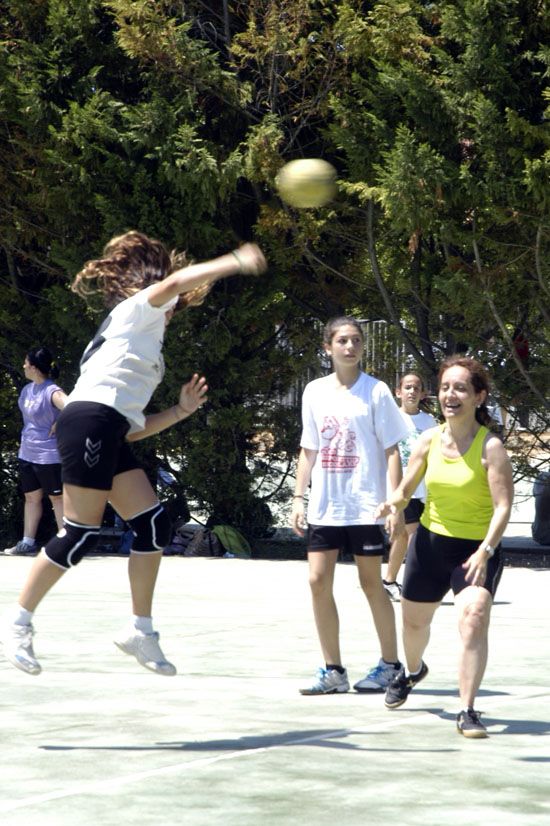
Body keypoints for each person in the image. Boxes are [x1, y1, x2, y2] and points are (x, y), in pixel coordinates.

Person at [1, 231, 267, 677]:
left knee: (152, 524)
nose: (174, 309)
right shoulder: (140, 307)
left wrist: (181, 411)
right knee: (80, 533)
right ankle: (18, 623)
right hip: (90, 421)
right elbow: (174, 283)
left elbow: (132, 431)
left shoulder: (141, 342)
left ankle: (139, 630)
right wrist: (234, 262)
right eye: (175, 301)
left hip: (107, 428)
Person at [376, 355, 513, 738]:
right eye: (445, 387)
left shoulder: (492, 449)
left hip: (475, 550)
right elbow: (405, 489)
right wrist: (394, 503)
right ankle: (414, 670)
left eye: (461, 388)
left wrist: (485, 550)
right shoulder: (429, 439)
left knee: (473, 615)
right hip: (431, 545)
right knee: (414, 625)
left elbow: (503, 506)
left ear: (478, 396)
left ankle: (467, 709)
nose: (450, 395)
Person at [291, 316, 410, 695]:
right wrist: (298, 496)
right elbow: (309, 448)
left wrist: (394, 502)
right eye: (342, 340)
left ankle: (391, 665)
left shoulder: (375, 392)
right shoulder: (313, 392)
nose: (350, 347)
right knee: (316, 581)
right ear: (328, 347)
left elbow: (392, 450)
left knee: (371, 584)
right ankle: (333, 671)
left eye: (356, 340)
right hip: (326, 507)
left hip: (366, 507)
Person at [4, 347, 68, 556]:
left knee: (56, 499)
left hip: (49, 455)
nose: (23, 366)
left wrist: (60, 422)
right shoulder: (27, 390)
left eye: (25, 363)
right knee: (31, 498)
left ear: (33, 367)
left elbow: (72, 407)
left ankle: (65, 543)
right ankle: (27, 542)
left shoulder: (52, 391)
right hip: (27, 453)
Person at [383, 373, 436, 600]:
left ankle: (391, 581)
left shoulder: (429, 422)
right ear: (398, 392)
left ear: (423, 393)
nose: (412, 391)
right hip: (398, 489)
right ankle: (404, 582)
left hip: (422, 490)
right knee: (410, 537)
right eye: (407, 387)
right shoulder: (389, 419)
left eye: (416, 387)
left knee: (406, 537)